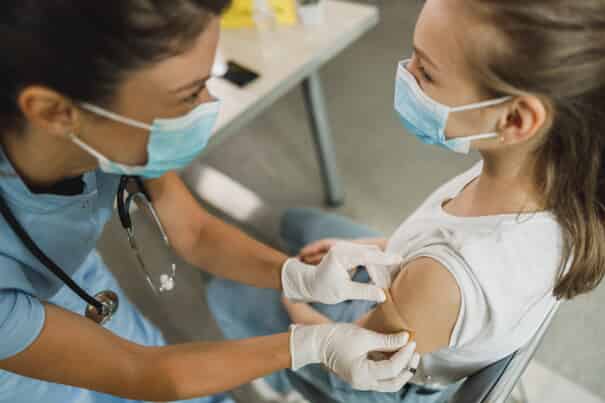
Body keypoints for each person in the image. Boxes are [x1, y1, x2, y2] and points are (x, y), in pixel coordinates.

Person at [0, 2, 421, 403]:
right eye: (189, 94)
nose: (208, 107)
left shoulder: (106, 133)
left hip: (76, 283)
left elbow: (194, 232)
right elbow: (144, 372)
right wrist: (311, 345)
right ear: (55, 112)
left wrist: (292, 275)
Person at [206, 0, 605, 402]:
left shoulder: (444, 278)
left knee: (226, 292)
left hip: (376, 369)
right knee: (301, 224)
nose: (405, 73)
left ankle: (280, 384)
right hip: (415, 294)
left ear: (515, 120)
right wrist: (376, 249)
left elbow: (357, 351)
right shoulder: (547, 178)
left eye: (425, 70)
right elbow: (432, 244)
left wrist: (290, 298)